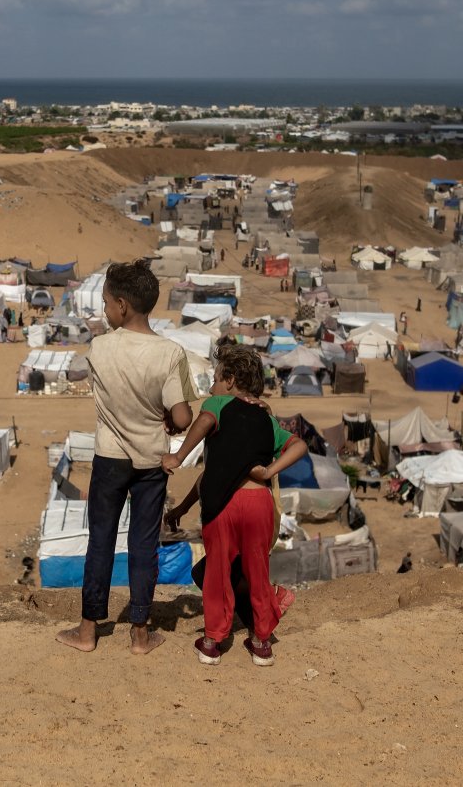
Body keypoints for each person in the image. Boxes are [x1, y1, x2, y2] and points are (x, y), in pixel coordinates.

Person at [56, 261, 196, 656]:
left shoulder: (100, 347)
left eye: (105, 303)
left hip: (109, 458)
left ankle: (87, 632)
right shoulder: (170, 353)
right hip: (151, 462)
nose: (103, 311)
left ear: (121, 305)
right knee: (143, 544)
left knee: (99, 541)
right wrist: (168, 420)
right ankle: (139, 634)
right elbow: (182, 416)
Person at [162, 345, 307, 667]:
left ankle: (213, 641)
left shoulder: (217, 404)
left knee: (215, 571)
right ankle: (261, 643)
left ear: (229, 380)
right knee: (257, 569)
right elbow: (299, 444)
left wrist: (178, 456)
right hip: (258, 502)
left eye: (214, 379)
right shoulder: (264, 417)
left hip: (224, 504)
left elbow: (203, 423)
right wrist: (269, 471)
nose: (211, 386)